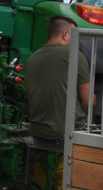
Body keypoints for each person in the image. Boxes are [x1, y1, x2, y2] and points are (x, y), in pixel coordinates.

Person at [23, 15, 93, 149]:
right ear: (65, 34)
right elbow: (88, 102)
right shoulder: (74, 55)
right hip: (66, 134)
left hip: (37, 133)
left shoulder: (32, 58)